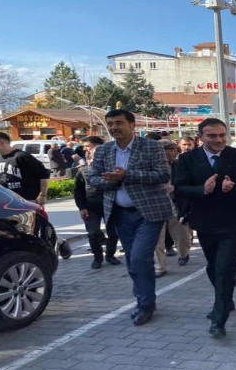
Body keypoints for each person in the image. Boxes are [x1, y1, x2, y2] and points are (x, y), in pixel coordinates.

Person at [175, 118, 236, 338]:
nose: (219, 140)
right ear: (201, 137)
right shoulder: (187, 158)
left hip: (235, 222)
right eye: (212, 136)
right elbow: (180, 188)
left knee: (224, 267)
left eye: (222, 135)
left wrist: (234, 187)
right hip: (205, 222)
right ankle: (226, 298)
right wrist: (202, 189)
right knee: (213, 267)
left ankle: (219, 317)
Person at [88, 109, 173, 327]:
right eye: (110, 124)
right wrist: (111, 181)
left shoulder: (151, 147)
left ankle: (145, 305)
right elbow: (93, 178)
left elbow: (163, 175)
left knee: (139, 258)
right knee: (132, 262)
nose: (114, 127)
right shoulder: (104, 150)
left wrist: (127, 175)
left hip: (149, 213)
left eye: (119, 123)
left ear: (132, 125)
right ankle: (144, 299)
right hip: (120, 214)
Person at [74, 136, 121, 269]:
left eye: (88, 147)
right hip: (90, 207)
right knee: (93, 233)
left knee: (113, 233)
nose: (86, 150)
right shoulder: (83, 170)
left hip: (110, 205)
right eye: (85, 148)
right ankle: (97, 257)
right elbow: (78, 191)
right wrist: (81, 207)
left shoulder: (112, 168)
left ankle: (110, 255)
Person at [152, 140, 192, 278]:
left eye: (175, 149)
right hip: (155, 206)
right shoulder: (150, 166)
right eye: (171, 149)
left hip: (175, 204)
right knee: (156, 237)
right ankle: (159, 267)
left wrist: (176, 187)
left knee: (182, 234)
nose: (175, 152)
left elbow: (188, 183)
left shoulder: (180, 165)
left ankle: (184, 254)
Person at [0, 132, 50, 206]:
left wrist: (43, 195)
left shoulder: (22, 156)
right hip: (9, 201)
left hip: (28, 200)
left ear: (1, 143)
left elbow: (43, 175)